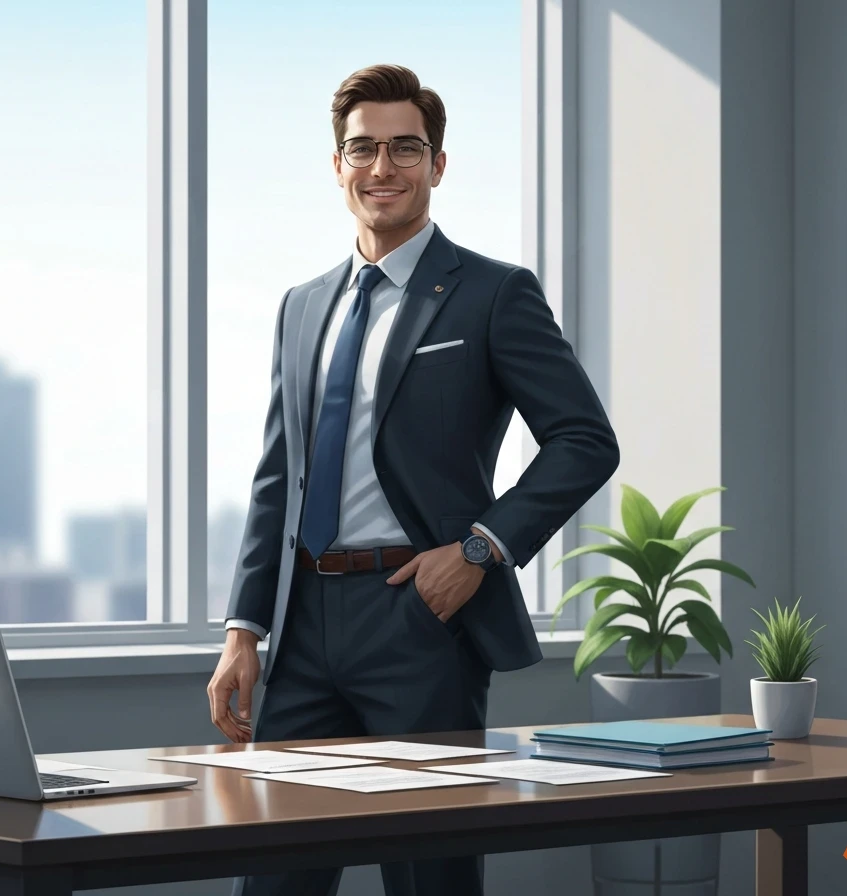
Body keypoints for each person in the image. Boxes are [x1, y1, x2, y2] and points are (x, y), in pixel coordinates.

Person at [208, 63, 620, 896]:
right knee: (277, 876)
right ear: (337, 165)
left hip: (420, 617)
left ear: (437, 164)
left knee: (429, 873)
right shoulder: (301, 304)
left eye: (405, 147)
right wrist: (244, 629)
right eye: (363, 148)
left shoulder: (494, 294)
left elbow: (585, 440)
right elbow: (277, 478)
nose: (382, 167)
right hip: (302, 625)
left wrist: (478, 550)